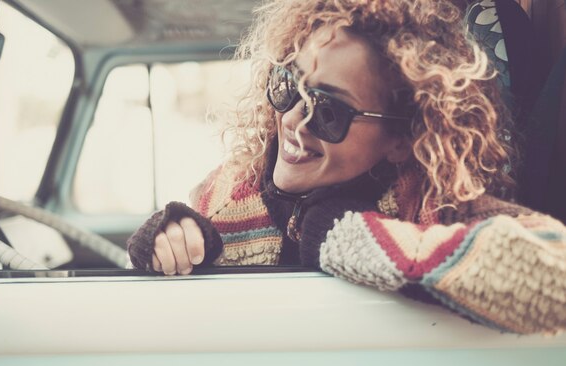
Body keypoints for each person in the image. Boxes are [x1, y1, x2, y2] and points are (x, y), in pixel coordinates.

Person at [128, 0, 566, 334]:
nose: (294, 122)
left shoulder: (430, 205)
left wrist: (345, 236)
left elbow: (554, 273)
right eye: (288, 85)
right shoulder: (226, 194)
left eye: (329, 110)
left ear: (400, 141)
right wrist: (167, 242)